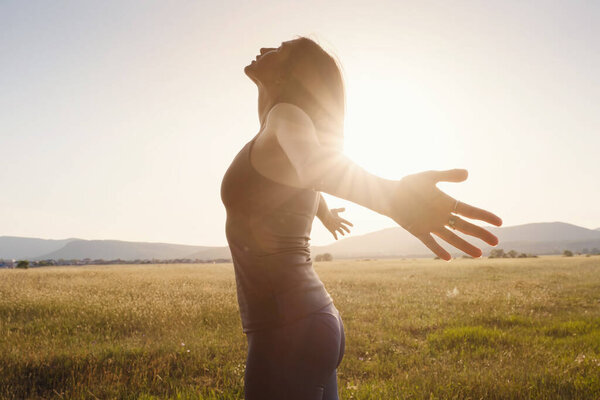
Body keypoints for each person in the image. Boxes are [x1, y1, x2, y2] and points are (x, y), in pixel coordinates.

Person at [221, 37, 502, 400]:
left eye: (280, 48)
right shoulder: (278, 128)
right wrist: (323, 212)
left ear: (290, 75)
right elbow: (301, 175)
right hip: (309, 319)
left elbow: (311, 167)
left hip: (286, 328)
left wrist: (394, 199)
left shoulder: (286, 115)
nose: (264, 49)